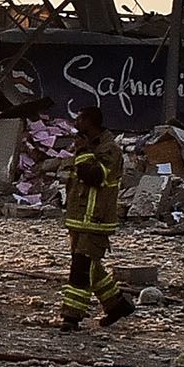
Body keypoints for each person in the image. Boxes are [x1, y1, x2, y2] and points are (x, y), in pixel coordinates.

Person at [59, 105, 133, 329]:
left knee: (81, 268)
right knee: (91, 266)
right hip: (79, 219)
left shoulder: (109, 149)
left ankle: (71, 317)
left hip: (96, 220)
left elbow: (93, 176)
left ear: (90, 122)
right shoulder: (89, 147)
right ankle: (117, 305)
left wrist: (82, 153)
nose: (76, 123)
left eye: (80, 119)